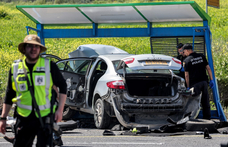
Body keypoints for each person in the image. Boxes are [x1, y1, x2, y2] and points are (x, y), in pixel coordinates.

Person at [0, 34, 67, 147]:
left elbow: (63, 86)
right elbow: (9, 94)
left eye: (36, 46)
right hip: (23, 118)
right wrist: (3, 118)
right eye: (30, 46)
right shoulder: (15, 68)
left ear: (40, 49)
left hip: (45, 117)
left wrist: (60, 110)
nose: (33, 49)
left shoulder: (49, 66)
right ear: (24, 49)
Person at [182, 43, 214, 119]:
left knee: (194, 101)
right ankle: (207, 117)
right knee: (205, 100)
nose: (184, 53)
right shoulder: (202, 56)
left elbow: (186, 75)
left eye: (184, 52)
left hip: (195, 84)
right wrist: (211, 80)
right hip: (204, 82)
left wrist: (188, 86)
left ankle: (194, 117)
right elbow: (208, 68)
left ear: (187, 50)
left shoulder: (186, 61)